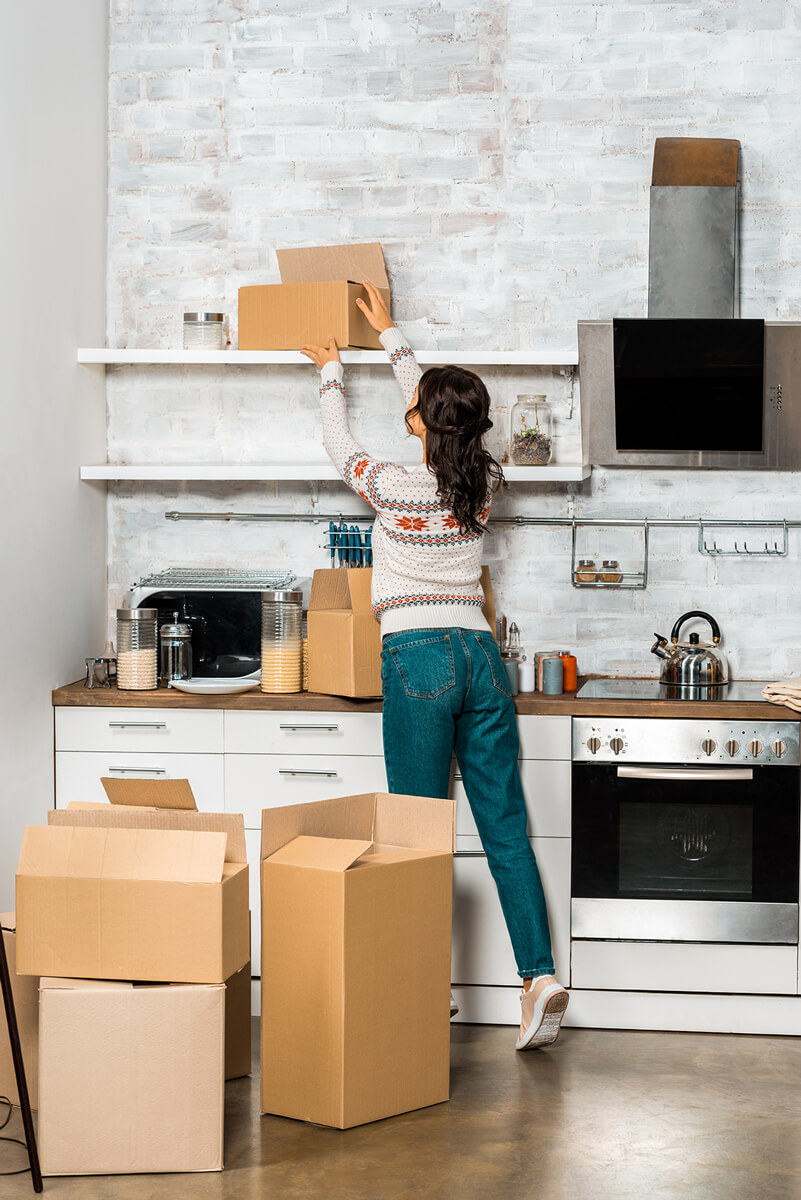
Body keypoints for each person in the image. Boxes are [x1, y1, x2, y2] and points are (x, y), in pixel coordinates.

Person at [301, 283, 569, 1051]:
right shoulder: (479, 484)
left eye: (414, 409)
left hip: (416, 655)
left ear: (423, 423)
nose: (407, 411)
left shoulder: (391, 486)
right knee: (504, 829)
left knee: (415, 835)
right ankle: (537, 976)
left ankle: (423, 987)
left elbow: (336, 442)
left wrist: (329, 368)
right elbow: (435, 407)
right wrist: (387, 332)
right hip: (481, 659)